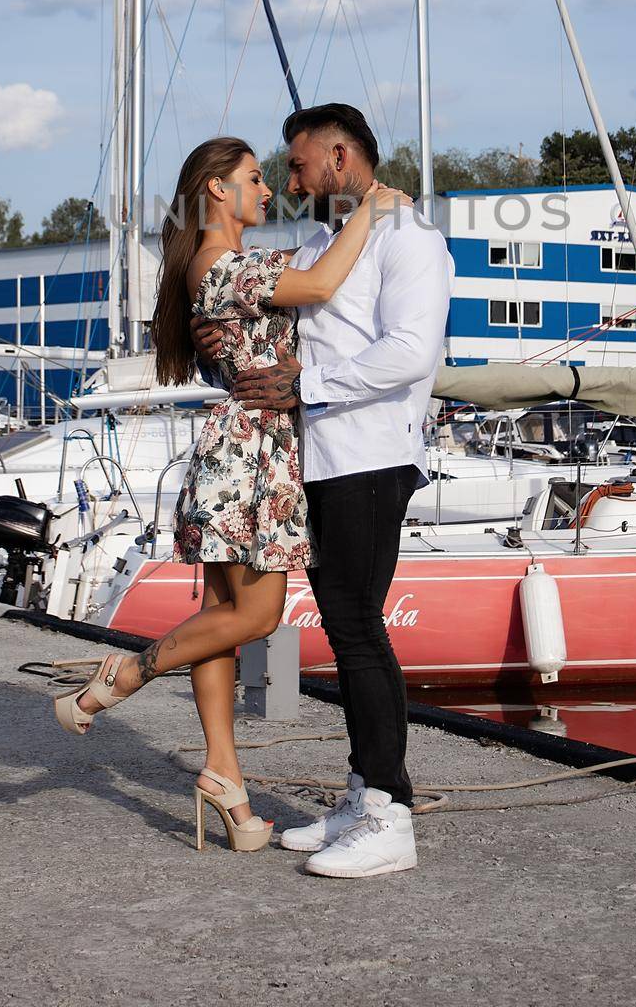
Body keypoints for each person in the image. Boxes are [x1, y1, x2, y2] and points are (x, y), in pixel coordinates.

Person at [50, 134, 406, 855]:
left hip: (245, 449)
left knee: (220, 615)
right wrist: (369, 209)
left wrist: (346, 224)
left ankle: (227, 786)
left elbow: (312, 264)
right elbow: (318, 287)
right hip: (250, 454)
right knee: (257, 613)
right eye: (252, 178)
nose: (268, 189)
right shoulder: (216, 265)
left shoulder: (236, 263)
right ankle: (123, 674)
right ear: (216, 188)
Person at [194, 103, 454, 879]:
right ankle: (361, 792)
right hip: (322, 457)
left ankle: (389, 815)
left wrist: (308, 384)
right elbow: (269, 333)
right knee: (344, 631)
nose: (289, 179)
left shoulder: (411, 239)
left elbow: (409, 352)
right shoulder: (322, 243)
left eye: (300, 164)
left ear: (339, 158)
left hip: (371, 457)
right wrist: (220, 347)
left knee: (358, 628)